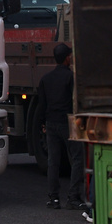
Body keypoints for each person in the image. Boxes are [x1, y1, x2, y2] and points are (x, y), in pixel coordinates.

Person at [35, 42, 87, 211]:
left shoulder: (46, 79)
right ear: (67, 58)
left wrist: (43, 123)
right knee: (77, 158)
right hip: (67, 123)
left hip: (50, 123)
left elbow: (41, 104)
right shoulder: (70, 77)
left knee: (53, 161)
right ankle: (73, 197)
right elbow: (75, 102)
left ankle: (54, 198)